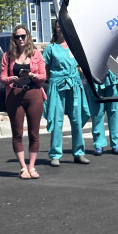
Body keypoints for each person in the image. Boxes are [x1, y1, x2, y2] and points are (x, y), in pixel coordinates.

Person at [0, 25, 46, 179]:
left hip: (34, 94)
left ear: (28, 37)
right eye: (17, 36)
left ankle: (32, 167)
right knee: (17, 133)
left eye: (23, 36)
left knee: (34, 133)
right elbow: (2, 77)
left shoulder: (36, 54)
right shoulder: (8, 56)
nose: (20, 39)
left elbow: (43, 76)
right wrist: (11, 79)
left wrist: (32, 74)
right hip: (15, 93)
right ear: (14, 38)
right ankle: (23, 167)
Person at [42, 21, 89, 166]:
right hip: (57, 87)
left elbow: (81, 63)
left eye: (63, 26)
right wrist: (55, 81)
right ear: (55, 29)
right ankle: (55, 154)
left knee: (76, 120)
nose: (61, 29)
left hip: (74, 86)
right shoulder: (51, 48)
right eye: (58, 26)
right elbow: (46, 70)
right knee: (57, 121)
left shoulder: (74, 47)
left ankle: (79, 153)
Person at [85, 70, 118, 156]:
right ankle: (99, 144)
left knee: (114, 113)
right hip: (94, 79)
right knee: (97, 114)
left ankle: (115, 143)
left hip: (112, 79)